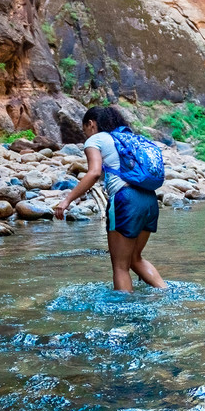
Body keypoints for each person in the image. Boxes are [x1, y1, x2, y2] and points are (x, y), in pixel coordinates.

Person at [54, 106, 167, 293]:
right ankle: (165, 293)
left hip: (126, 199)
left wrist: (67, 200)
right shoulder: (128, 139)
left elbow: (94, 172)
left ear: (91, 124)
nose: (85, 135)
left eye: (85, 130)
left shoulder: (96, 139)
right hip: (149, 199)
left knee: (120, 265)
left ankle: (124, 317)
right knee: (135, 258)